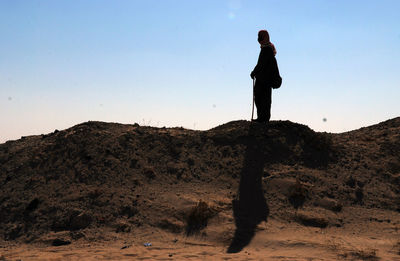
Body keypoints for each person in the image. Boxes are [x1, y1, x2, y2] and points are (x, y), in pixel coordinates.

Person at [250, 30, 282, 123]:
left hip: (264, 80)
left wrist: (254, 72)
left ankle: (262, 118)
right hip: (265, 79)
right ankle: (263, 118)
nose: (258, 38)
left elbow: (261, 64)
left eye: (260, 36)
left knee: (262, 98)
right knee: (263, 98)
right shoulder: (267, 48)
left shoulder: (266, 49)